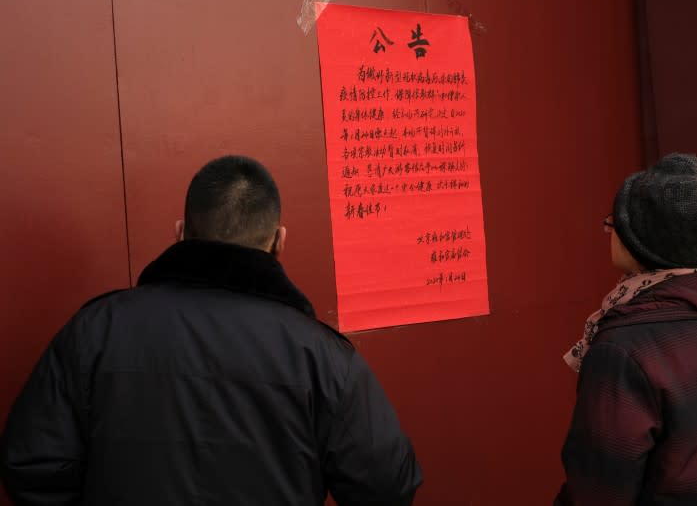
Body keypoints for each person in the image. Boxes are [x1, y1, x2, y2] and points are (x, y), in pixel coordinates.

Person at [0, 155, 422, 506]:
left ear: (181, 233)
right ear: (279, 240)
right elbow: (387, 486)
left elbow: (30, 464)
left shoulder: (96, 330)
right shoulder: (324, 358)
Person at [555, 153, 697, 505]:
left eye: (613, 222)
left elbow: (598, 490)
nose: (608, 231)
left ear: (639, 238)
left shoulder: (623, 350)